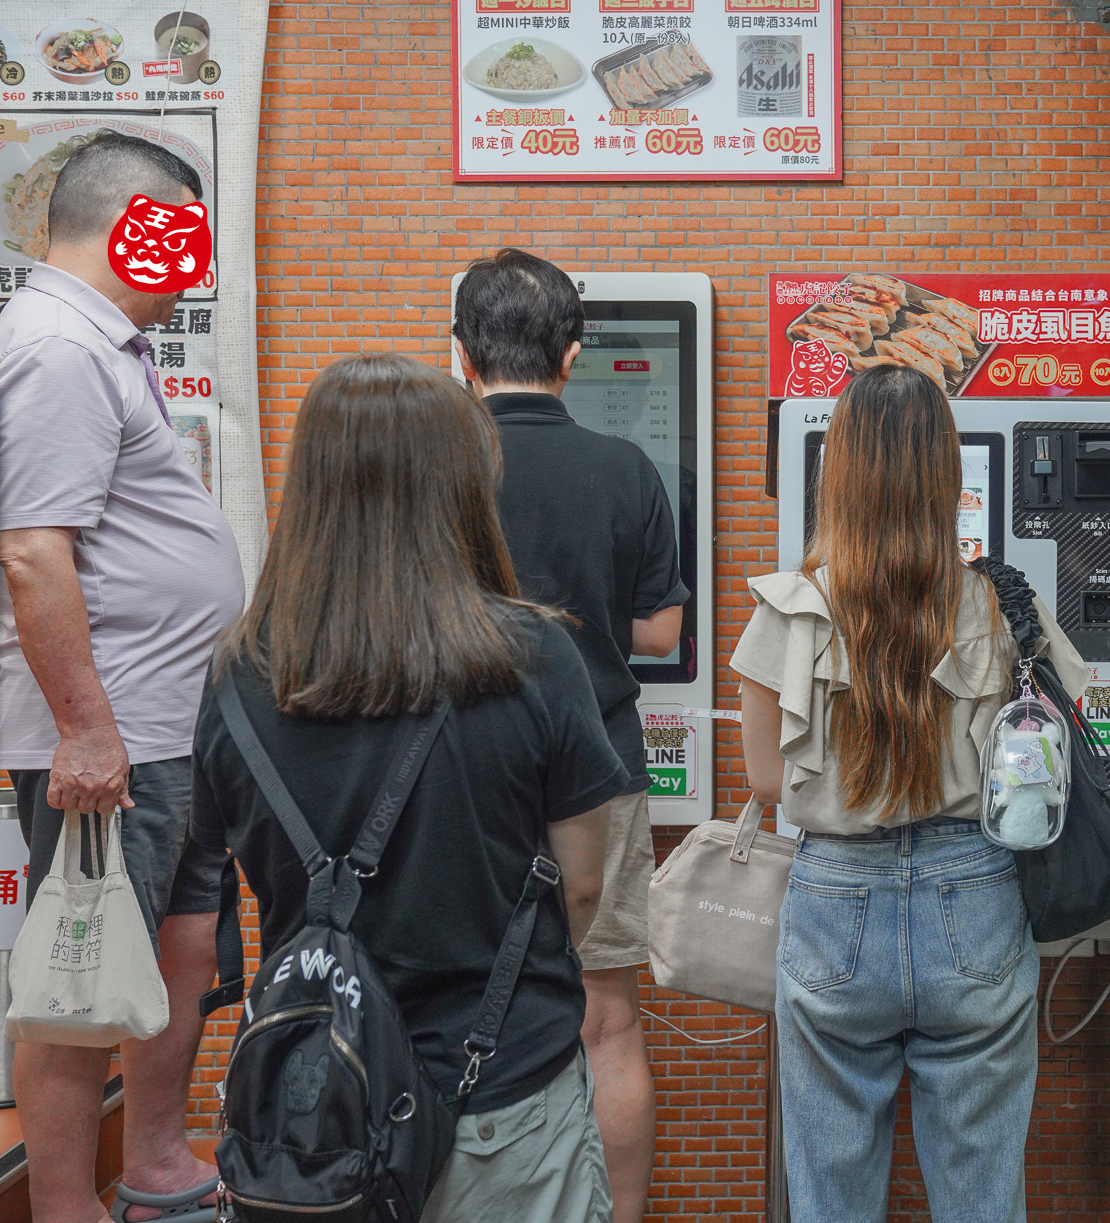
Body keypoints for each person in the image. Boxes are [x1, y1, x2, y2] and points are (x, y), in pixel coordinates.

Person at [190, 353, 625, 1221]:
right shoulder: (534, 657)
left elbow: (224, 867)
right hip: (499, 1095)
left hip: (312, 1118)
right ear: (463, 483)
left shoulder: (238, 671)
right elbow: (581, 884)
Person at [732, 365, 1086, 1221]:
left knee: (828, 1193)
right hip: (975, 895)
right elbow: (1066, 742)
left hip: (832, 903)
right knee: (980, 1195)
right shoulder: (1005, 604)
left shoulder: (786, 609)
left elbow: (765, 780)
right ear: (945, 471)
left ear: (838, 472)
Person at [0, 132, 245, 1223]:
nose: (192, 270)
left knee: (184, 944)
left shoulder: (102, 346)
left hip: (173, 723)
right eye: (184, 238)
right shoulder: (53, 344)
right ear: (138, 219)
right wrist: (88, 731)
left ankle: (150, 1155)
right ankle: (62, 1204)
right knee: (78, 979)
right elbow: (30, 550)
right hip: (115, 735)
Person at [451, 248, 688, 1223]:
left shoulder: (442, 465)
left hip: (458, 776)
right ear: (573, 352)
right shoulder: (626, 468)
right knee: (607, 1020)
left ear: (461, 354)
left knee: (460, 1003)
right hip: (596, 767)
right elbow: (661, 633)